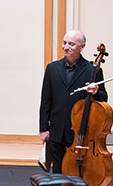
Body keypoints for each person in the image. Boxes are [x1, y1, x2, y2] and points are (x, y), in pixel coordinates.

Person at [38, 29, 107, 173]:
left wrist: (96, 92)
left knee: (79, 174)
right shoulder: (52, 68)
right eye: (64, 43)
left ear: (82, 47)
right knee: (57, 173)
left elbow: (104, 98)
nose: (66, 47)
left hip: (81, 133)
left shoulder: (92, 70)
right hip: (57, 131)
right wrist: (43, 128)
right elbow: (45, 101)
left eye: (71, 44)